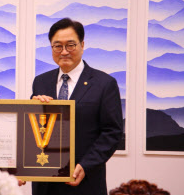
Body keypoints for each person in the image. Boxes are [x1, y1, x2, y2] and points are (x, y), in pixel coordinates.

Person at [31, 18, 123, 195]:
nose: (64, 51)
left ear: (82, 44)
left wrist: (86, 165)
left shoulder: (104, 84)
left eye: (70, 45)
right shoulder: (41, 82)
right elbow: (34, 130)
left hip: (85, 181)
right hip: (45, 184)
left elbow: (112, 132)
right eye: (57, 46)